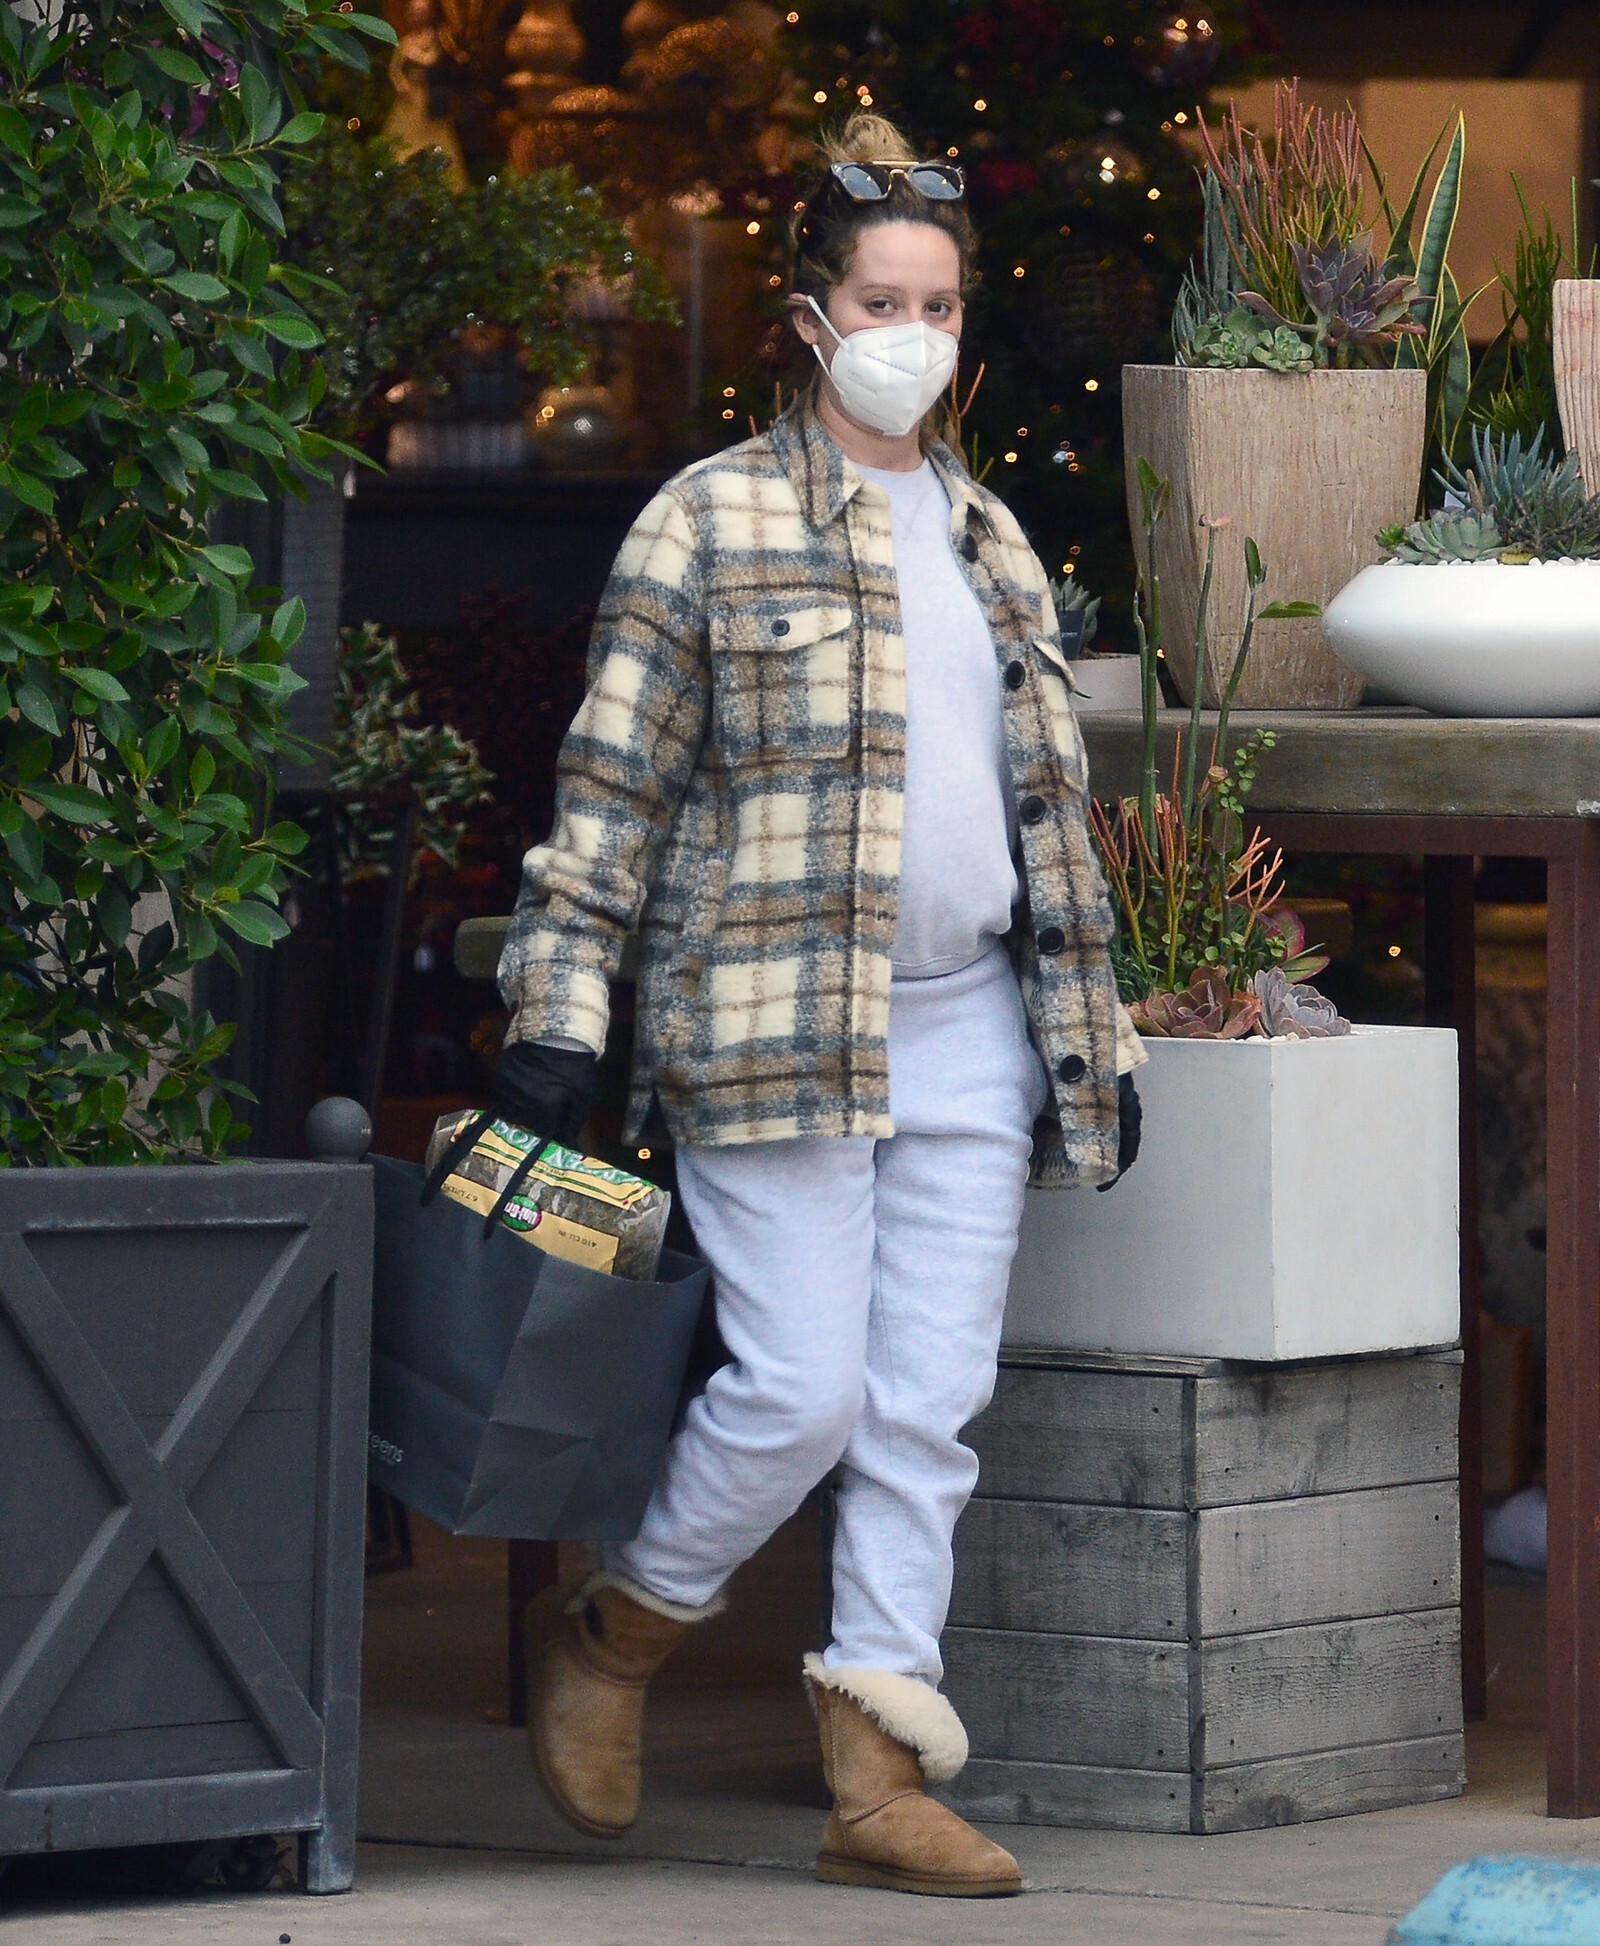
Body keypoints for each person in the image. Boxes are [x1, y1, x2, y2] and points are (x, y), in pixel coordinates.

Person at [492, 111, 1145, 1899]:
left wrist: (1094, 1040)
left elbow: (1046, 819)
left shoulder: (994, 540)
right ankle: (617, 1632)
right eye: (881, 301)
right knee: (795, 1386)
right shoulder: (704, 522)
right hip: (775, 1019)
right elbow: (610, 795)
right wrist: (557, 1009)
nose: (912, 334)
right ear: (807, 316)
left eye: (940, 305)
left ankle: (878, 1769)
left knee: (926, 1404)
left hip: (968, 1024)